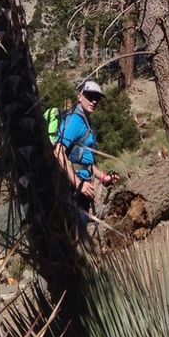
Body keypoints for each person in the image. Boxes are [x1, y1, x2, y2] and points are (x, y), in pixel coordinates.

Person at [53, 79, 116, 230]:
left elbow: (85, 160)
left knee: (79, 232)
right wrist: (77, 183)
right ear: (80, 96)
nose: (94, 101)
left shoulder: (86, 122)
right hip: (71, 188)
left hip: (81, 187)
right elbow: (58, 152)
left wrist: (103, 177)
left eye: (97, 98)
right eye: (89, 96)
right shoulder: (75, 120)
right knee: (74, 234)